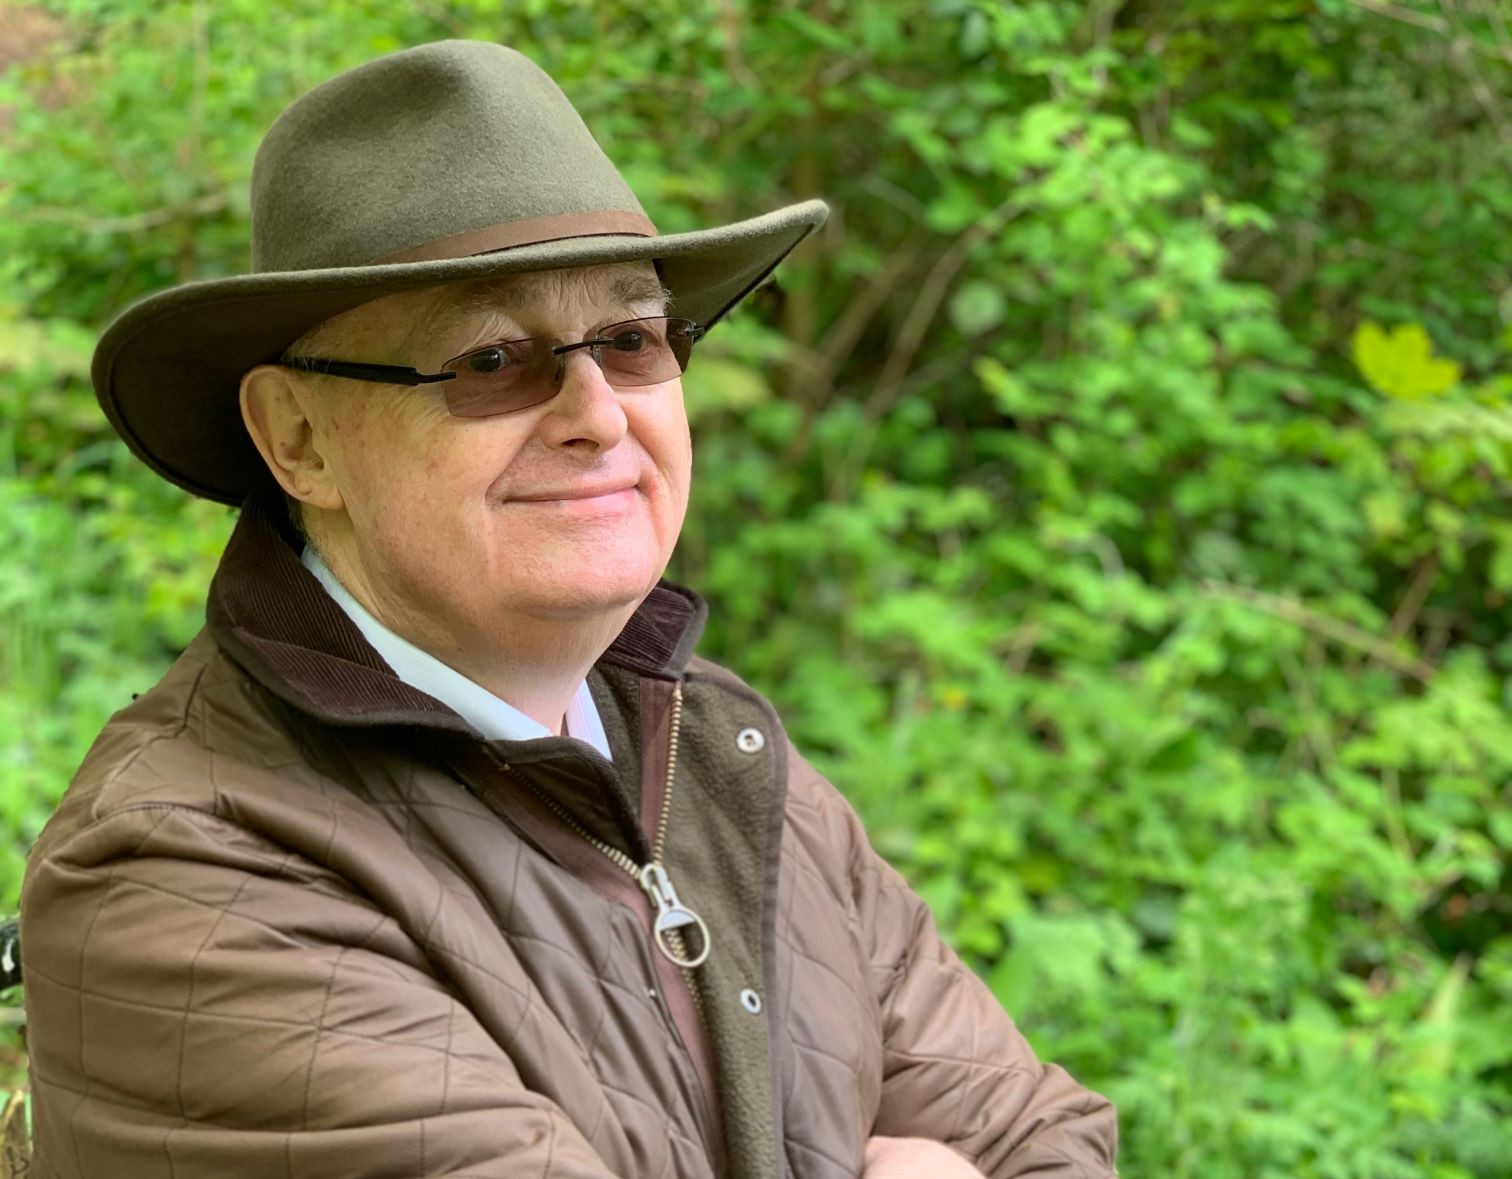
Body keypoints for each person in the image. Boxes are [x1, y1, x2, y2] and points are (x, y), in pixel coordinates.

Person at [19, 39, 1119, 1179]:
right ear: (300, 438)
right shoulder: (187, 873)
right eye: (491, 357)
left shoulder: (716, 755)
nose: (598, 414)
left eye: (633, 341)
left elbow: (1050, 1141)